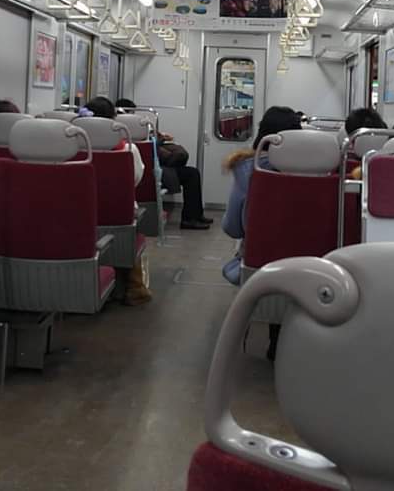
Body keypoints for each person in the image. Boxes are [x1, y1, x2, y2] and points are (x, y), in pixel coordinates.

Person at [221, 105, 302, 361]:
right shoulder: (328, 170)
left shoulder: (248, 169)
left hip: (260, 261)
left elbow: (233, 227)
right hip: (311, 262)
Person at [84, 97, 151, 305]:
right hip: (120, 214)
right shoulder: (128, 149)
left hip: (81, 216)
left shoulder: (71, 149)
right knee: (132, 222)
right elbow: (136, 180)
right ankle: (134, 287)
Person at [115, 98, 212, 230]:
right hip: (153, 172)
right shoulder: (138, 133)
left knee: (191, 173)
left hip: (150, 169)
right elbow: (152, 152)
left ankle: (195, 215)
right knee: (192, 174)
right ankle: (190, 218)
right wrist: (160, 140)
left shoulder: (116, 135)